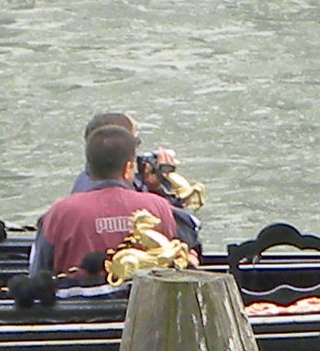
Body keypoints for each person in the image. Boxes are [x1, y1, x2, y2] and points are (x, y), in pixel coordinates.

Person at [27, 112, 201, 287]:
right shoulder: (158, 206)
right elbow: (190, 238)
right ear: (128, 168)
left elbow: (37, 273)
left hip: (77, 301)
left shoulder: (59, 213)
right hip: (143, 300)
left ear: (89, 166)